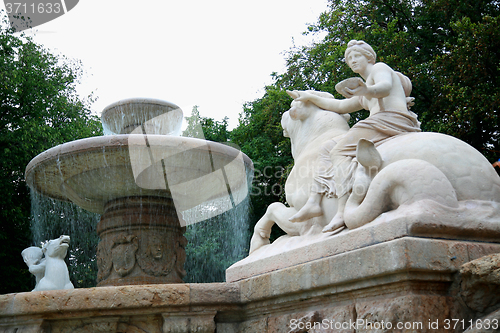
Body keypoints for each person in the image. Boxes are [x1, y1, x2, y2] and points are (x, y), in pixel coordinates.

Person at [288, 40, 421, 233]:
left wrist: (366, 90)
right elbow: (340, 106)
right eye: (349, 58)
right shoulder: (364, 89)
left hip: (391, 119)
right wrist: (308, 97)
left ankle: (342, 211)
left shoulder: (379, 69)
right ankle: (314, 201)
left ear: (369, 57)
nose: (352, 61)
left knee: (339, 152)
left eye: (356, 56)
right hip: (378, 124)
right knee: (327, 148)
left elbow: (383, 87)